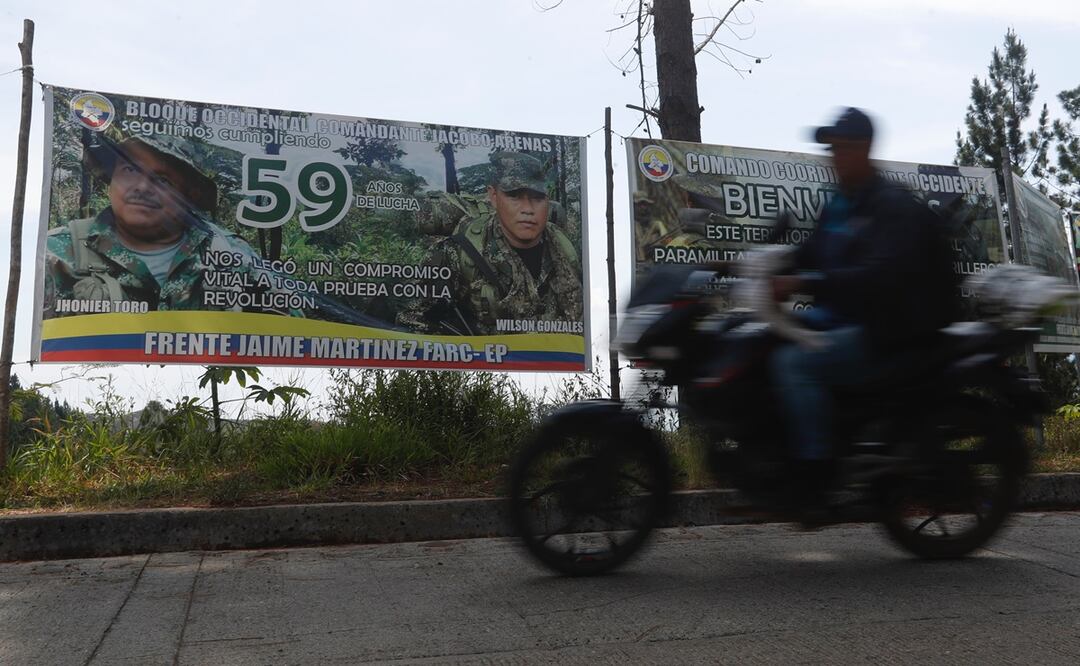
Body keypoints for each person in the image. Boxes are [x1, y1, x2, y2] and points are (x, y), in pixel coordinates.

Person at [769, 107, 958, 514]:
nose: (834, 157)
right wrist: (757, 264)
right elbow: (810, 252)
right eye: (831, 149)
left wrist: (805, 283)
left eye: (842, 148)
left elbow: (877, 276)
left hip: (883, 331)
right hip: (838, 320)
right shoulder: (841, 204)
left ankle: (815, 476)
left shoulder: (890, 206)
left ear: (865, 148)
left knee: (794, 364)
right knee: (761, 342)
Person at [44, 134, 283, 318]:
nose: (142, 187)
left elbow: (294, 320)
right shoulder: (59, 251)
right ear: (111, 178)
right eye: (130, 170)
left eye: (162, 180)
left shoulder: (228, 252)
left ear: (188, 194)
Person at [398, 151, 583, 335]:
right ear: (493, 196)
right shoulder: (459, 252)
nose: (527, 209)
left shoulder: (566, 251)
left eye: (537, 197)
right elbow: (411, 322)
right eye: (515, 196)